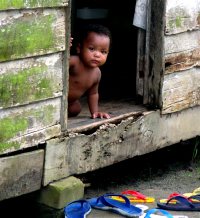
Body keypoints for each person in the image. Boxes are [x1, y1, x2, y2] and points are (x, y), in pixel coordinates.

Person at [68, 24, 111, 119]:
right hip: (56, 99)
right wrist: (66, 48)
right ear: (79, 48)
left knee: (76, 109)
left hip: (70, 103)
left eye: (103, 52)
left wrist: (95, 112)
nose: (97, 55)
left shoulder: (97, 73)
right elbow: (59, 64)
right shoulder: (74, 61)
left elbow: (93, 94)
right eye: (92, 49)